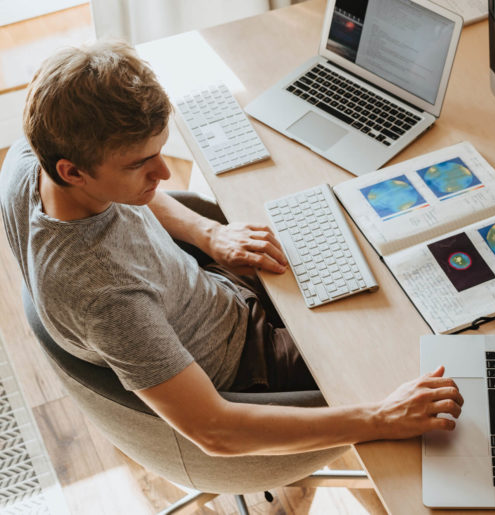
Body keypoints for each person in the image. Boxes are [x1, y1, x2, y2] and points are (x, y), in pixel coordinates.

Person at [0, 40, 462, 457]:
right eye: (141, 164)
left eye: (161, 151)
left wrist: (209, 236)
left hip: (213, 293)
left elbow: (135, 191)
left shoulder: (33, 156)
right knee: (423, 357)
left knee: (372, 253)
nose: (163, 174)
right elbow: (215, 431)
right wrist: (379, 419)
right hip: (248, 368)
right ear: (73, 171)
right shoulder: (104, 297)